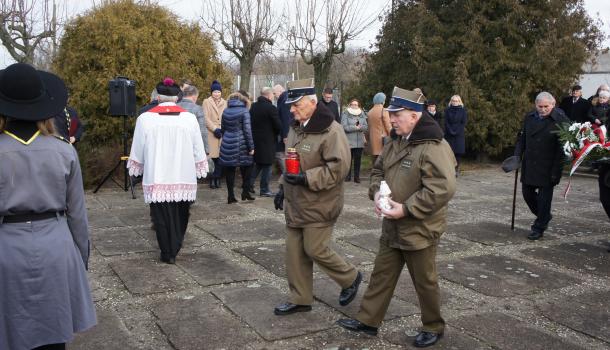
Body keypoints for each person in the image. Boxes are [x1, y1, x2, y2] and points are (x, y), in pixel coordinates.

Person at [337, 87, 456, 348]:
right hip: (392, 225)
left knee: (425, 281)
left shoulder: (434, 146)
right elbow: (378, 171)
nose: (391, 119)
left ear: (414, 116)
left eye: (396, 115)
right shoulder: (395, 141)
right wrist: (378, 195)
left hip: (419, 227)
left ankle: (433, 326)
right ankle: (368, 321)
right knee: (381, 275)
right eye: (391, 114)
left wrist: (407, 208)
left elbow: (442, 188)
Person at [0, 63, 96, 350]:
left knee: (10, 334)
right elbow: (78, 214)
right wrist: (80, 258)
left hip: (7, 252)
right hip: (57, 248)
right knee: (54, 337)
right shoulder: (64, 151)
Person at [273, 78, 362, 316]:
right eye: (290, 105)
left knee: (314, 248)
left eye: (296, 105)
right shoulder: (296, 126)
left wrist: (305, 178)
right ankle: (300, 298)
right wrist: (282, 187)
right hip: (296, 202)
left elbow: (338, 168)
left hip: (320, 202)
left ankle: (351, 277)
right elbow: (291, 159)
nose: (291, 110)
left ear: (312, 103)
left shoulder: (331, 131)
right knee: (294, 252)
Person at [127, 77, 208, 264]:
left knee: (160, 216)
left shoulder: (145, 119)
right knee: (182, 213)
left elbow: (137, 149)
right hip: (183, 173)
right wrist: (200, 164)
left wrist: (137, 167)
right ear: (176, 98)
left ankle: (167, 251)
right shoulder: (189, 119)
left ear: (158, 97)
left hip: (157, 175)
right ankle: (176, 244)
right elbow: (198, 147)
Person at [513, 92, 569, 241]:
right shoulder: (530, 117)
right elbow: (522, 138)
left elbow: (563, 148)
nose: (543, 109)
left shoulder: (560, 120)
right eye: (540, 106)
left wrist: (557, 170)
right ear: (535, 105)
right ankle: (544, 216)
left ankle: (539, 227)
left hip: (549, 166)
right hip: (530, 163)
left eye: (546, 106)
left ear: (553, 104)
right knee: (527, 194)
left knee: (544, 199)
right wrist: (517, 155)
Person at [219, 91, 256, 203]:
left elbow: (223, 129)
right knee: (248, 166)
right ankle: (245, 192)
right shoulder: (245, 111)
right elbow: (247, 131)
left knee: (230, 169)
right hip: (242, 143)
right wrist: (251, 147)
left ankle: (231, 196)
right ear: (243, 100)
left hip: (227, 142)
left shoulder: (225, 111)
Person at [249, 87, 281, 196]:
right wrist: (276, 133)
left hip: (255, 140)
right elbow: (278, 126)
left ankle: (248, 185)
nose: (273, 96)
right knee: (267, 165)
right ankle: (264, 189)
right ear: (268, 95)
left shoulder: (253, 107)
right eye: (272, 94)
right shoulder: (271, 108)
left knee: (258, 164)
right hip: (268, 141)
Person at [203, 80, 227, 189]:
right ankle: (213, 179)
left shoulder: (225, 103)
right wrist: (215, 129)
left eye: (218, 92)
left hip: (222, 133)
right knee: (213, 158)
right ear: (211, 92)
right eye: (214, 92)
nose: (216, 94)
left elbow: (227, 117)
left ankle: (217, 178)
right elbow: (205, 118)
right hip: (211, 133)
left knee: (221, 157)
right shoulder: (206, 102)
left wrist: (222, 129)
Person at [341, 98, 369, 183]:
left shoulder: (362, 113)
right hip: (349, 141)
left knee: (358, 160)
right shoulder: (345, 113)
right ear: (350, 105)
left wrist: (360, 127)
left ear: (358, 106)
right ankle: (348, 176)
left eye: (356, 105)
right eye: (353, 104)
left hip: (359, 141)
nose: (354, 106)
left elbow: (365, 126)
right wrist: (355, 128)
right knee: (349, 159)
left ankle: (357, 177)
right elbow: (344, 126)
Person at [178, 84, 209, 154]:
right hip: (192, 146)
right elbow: (202, 131)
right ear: (194, 96)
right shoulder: (197, 109)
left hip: (177, 145)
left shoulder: (175, 106)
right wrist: (206, 149)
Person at [444, 95, 467, 175]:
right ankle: (450, 169)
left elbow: (463, 122)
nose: (454, 102)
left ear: (459, 101)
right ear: (451, 101)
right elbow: (446, 122)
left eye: (456, 101)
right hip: (449, 134)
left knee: (458, 152)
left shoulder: (463, 110)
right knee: (450, 152)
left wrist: (456, 131)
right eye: (453, 100)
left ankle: (456, 169)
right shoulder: (447, 110)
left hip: (459, 134)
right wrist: (450, 130)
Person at [274, 84, 294, 176]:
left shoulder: (284, 100)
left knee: (283, 155)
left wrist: (285, 135)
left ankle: (288, 174)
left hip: (285, 133)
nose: (274, 95)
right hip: (284, 132)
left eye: (275, 93)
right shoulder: (284, 99)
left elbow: (286, 119)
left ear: (280, 91)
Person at [367, 92, 392, 165]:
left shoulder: (370, 111)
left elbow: (369, 126)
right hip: (382, 138)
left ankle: (374, 173)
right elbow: (388, 125)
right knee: (383, 158)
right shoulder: (383, 110)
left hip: (373, 138)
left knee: (375, 158)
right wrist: (393, 135)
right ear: (382, 100)